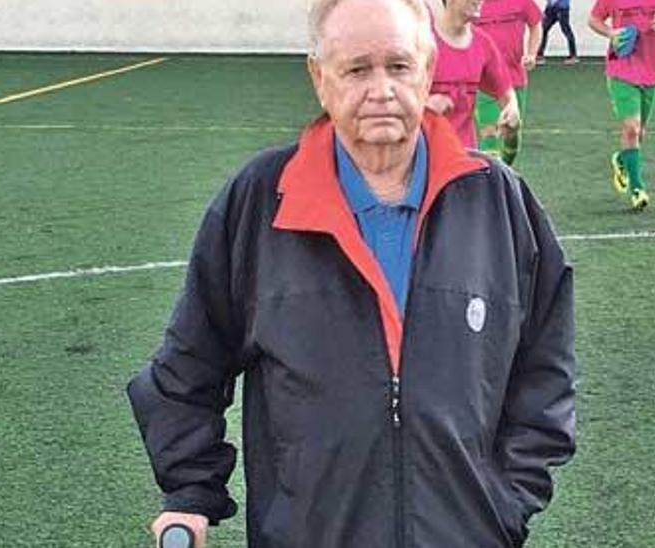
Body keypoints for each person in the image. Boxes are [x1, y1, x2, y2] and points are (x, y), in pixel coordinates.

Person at [126, 0, 577, 546]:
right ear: (320, 78)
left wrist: (506, 502)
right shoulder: (260, 200)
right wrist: (190, 492)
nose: (381, 89)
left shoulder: (500, 202)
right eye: (357, 69)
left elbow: (545, 367)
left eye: (399, 65)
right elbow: (188, 367)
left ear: (429, 68)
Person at [588, 0, 655, 212]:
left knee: (639, 132)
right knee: (632, 128)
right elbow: (594, 19)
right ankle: (637, 188)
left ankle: (622, 159)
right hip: (621, 68)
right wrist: (611, 33)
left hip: (652, 71)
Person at [429, 0, 522, 151]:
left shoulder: (483, 43)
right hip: (420, 156)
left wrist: (512, 108)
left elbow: (506, 91)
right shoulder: (420, 41)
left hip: (463, 157)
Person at [474, 0, 543, 165]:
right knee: (489, 133)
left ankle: (505, 171)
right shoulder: (473, 4)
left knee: (511, 132)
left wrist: (532, 53)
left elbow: (536, 24)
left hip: (515, 79)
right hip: (484, 81)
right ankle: (490, 179)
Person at [537, 0, 580, 65]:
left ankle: (573, 56)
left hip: (562, 8)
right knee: (544, 29)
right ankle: (539, 55)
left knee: (566, 30)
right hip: (551, 8)